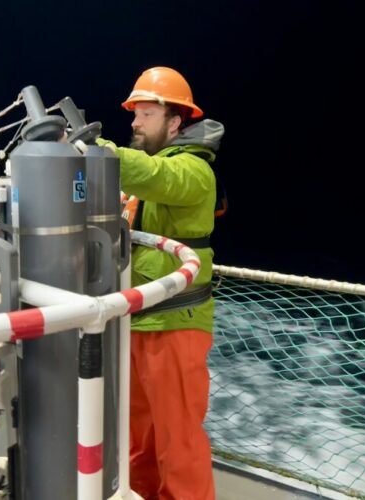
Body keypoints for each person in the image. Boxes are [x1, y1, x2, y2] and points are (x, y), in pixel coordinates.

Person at [98, 66, 224, 500]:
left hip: (176, 325)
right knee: (141, 443)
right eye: (135, 113)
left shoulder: (193, 172)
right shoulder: (151, 174)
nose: (134, 121)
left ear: (175, 122)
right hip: (139, 322)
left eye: (146, 113)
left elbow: (153, 176)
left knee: (178, 444)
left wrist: (95, 151)